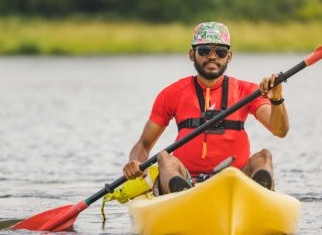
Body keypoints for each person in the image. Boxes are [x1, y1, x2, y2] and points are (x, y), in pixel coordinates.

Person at [122, 22, 289, 195]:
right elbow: (143, 144)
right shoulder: (172, 93)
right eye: (204, 51)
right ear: (192, 55)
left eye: (220, 52)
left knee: (264, 157)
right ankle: (181, 195)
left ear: (229, 56)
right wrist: (135, 162)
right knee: (164, 158)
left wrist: (277, 100)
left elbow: (280, 130)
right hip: (187, 180)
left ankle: (256, 197)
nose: (212, 56)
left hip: (235, 179)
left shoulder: (247, 91)